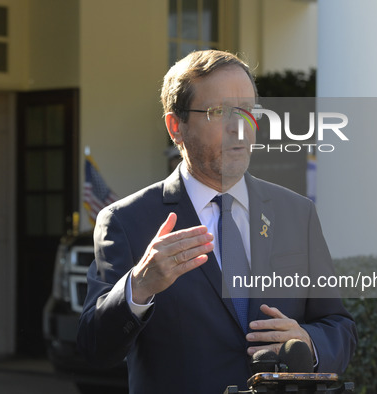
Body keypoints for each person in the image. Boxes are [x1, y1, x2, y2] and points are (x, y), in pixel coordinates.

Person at [77, 50, 357, 394]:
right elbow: (94, 349)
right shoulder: (127, 222)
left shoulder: (297, 213)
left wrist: (309, 343)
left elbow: (339, 327)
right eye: (218, 112)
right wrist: (139, 287)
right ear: (175, 127)